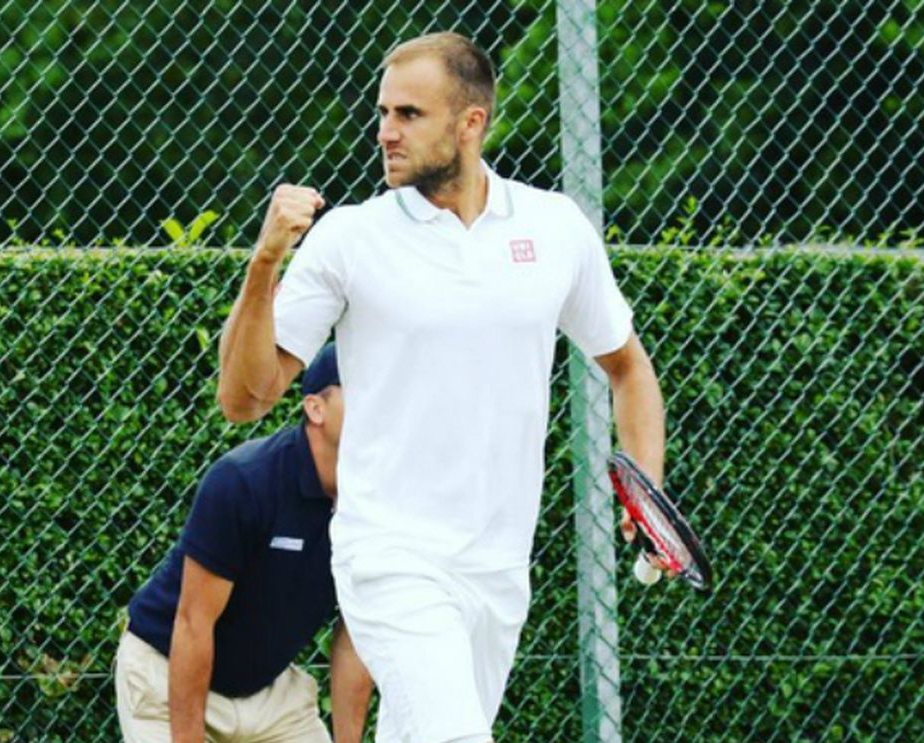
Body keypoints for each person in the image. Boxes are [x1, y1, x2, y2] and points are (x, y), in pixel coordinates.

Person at [217, 31, 665, 743]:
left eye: (408, 114)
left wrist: (647, 490)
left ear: (471, 124)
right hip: (390, 556)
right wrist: (264, 264)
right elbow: (245, 397)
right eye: (382, 112)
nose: (385, 132)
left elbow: (627, 366)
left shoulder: (554, 228)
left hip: (497, 567)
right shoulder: (350, 239)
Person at [116, 344, 373, 743]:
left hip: (271, 698)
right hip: (166, 677)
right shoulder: (244, 481)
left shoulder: (384, 503)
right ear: (315, 408)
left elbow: (355, 636)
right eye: (361, 386)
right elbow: (192, 623)